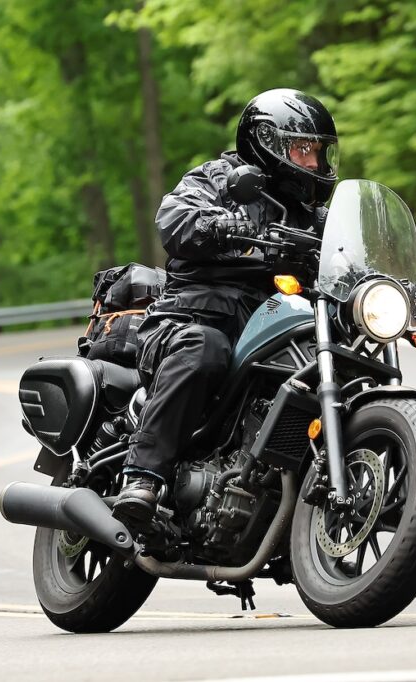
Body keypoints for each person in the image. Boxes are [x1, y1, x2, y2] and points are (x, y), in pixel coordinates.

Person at [112, 88, 341, 523]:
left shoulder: (312, 216)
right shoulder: (222, 178)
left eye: (319, 153)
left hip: (269, 333)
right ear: (268, 142)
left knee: (323, 367)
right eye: (303, 150)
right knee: (204, 347)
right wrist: (217, 223)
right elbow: (174, 218)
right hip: (187, 321)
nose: (313, 164)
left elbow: (349, 256)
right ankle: (143, 476)